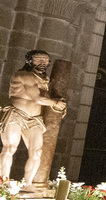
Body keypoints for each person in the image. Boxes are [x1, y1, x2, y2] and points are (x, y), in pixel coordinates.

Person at [0, 49, 66, 187]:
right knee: (10, 148)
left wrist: (58, 108)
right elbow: (37, 98)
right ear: (29, 61)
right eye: (38, 59)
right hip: (17, 114)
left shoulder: (45, 79)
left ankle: (28, 185)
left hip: (35, 118)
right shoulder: (23, 75)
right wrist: (55, 103)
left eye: (45, 60)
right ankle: (3, 182)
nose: (43, 62)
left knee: (37, 152)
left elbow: (46, 98)